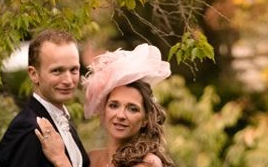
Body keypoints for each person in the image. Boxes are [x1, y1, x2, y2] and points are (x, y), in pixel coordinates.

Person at [36, 44, 174, 167]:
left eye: (132, 109)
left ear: (145, 119)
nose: (120, 115)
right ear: (104, 109)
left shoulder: (148, 163)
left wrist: (60, 160)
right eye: (114, 105)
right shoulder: (91, 158)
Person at [0, 29, 90, 167]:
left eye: (73, 70)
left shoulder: (63, 120)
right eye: (57, 70)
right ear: (34, 74)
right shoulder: (29, 130)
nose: (68, 80)